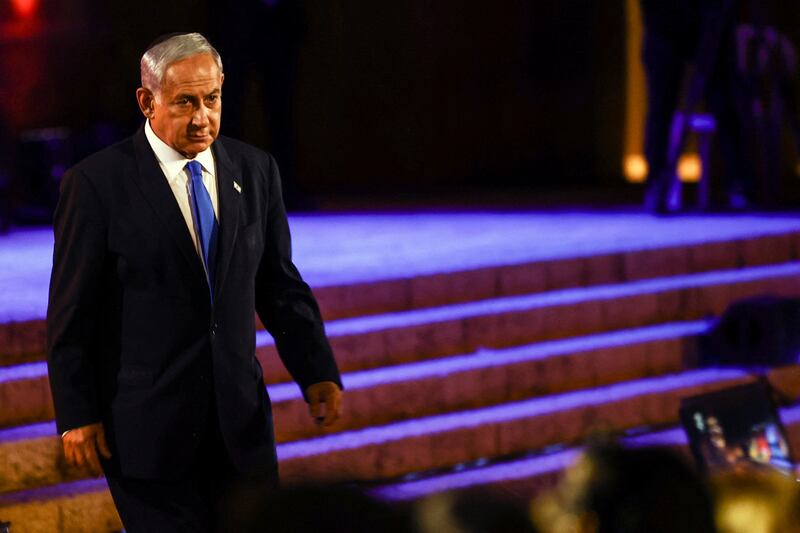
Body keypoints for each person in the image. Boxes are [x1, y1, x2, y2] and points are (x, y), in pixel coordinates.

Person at [45, 32, 343, 532]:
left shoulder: (255, 170)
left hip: (241, 432)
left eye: (213, 99)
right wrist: (77, 413)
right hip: (148, 436)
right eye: (185, 102)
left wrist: (316, 368)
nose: (202, 116)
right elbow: (72, 313)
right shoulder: (96, 185)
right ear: (147, 102)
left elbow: (278, 284)